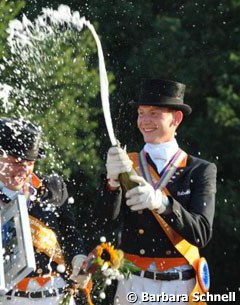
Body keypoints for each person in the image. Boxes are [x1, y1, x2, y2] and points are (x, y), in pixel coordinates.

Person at [96, 79, 217, 305]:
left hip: (180, 285)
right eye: (141, 113)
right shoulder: (126, 163)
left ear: (176, 119)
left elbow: (201, 233)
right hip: (133, 282)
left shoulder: (200, 170)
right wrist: (111, 183)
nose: (145, 121)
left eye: (154, 113)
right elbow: (104, 221)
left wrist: (162, 204)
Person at [0, 117, 89, 305]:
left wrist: (78, 258)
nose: (23, 170)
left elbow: (70, 233)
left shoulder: (54, 188)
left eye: (29, 162)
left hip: (56, 295)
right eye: (16, 161)